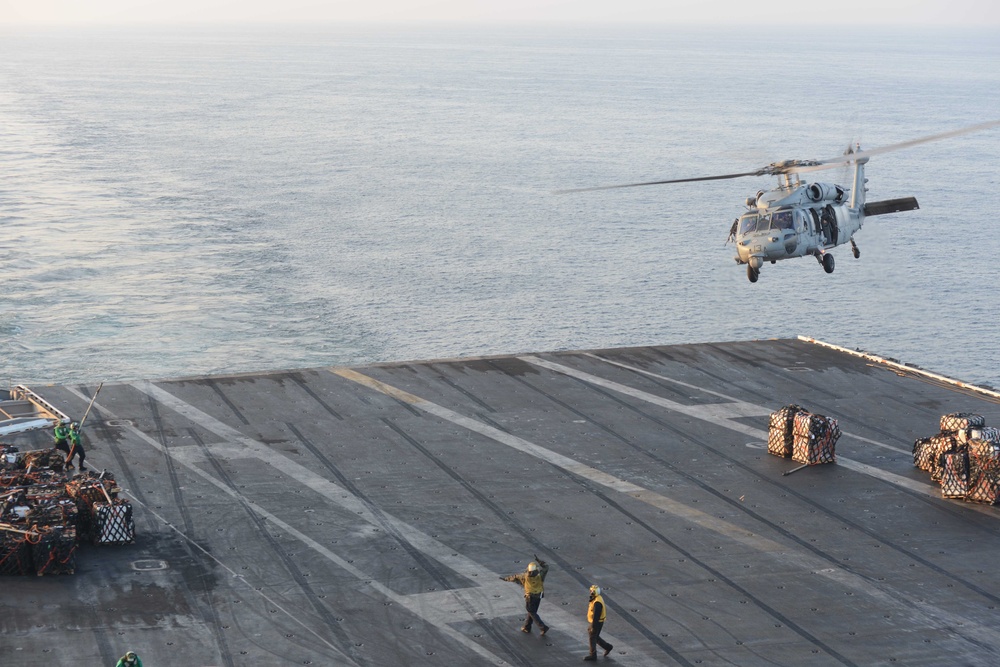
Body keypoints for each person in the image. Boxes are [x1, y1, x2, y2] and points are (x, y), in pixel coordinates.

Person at [500, 554, 550, 635]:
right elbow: (546, 567)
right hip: (539, 596)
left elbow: (514, 577)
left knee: (531, 611)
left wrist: (506, 579)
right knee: (532, 612)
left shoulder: (524, 576)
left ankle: (543, 627)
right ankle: (527, 627)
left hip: (530, 596)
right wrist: (540, 562)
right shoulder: (540, 576)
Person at [583, 585, 613, 661]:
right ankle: (608, 647)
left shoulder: (597, 603)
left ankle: (593, 655)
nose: (590, 593)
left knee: (592, 637)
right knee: (595, 637)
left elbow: (596, 616)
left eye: (591, 591)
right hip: (597, 622)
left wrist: (593, 626)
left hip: (596, 622)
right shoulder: (597, 598)